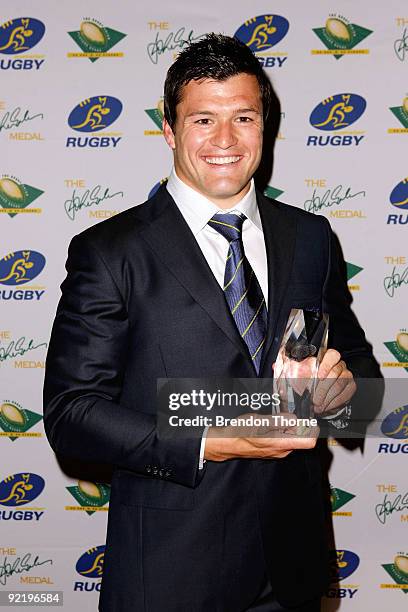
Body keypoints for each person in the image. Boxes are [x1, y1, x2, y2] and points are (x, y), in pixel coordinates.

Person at [43, 34, 380, 612]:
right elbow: (72, 414)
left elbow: (363, 391)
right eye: (203, 119)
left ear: (265, 127)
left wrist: (337, 394)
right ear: (170, 131)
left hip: (294, 567)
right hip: (171, 568)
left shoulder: (310, 238)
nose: (224, 141)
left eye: (243, 117)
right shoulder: (110, 251)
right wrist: (210, 441)